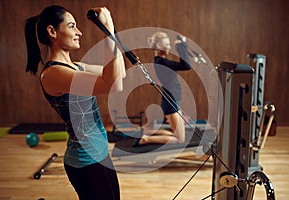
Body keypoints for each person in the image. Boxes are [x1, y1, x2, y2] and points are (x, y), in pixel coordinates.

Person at [24, 5, 125, 200]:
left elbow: (118, 79)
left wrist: (112, 34)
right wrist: (108, 31)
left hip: (100, 152)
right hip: (86, 161)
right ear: (52, 31)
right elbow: (111, 85)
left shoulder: (77, 66)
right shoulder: (53, 74)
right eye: (72, 26)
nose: (79, 32)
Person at [134, 32, 191, 146]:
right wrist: (181, 45)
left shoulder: (161, 61)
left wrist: (182, 45)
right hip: (171, 102)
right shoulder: (162, 62)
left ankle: (147, 132)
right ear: (159, 46)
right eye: (167, 44)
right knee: (180, 140)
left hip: (172, 101)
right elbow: (186, 66)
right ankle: (145, 139)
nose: (170, 47)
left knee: (177, 134)